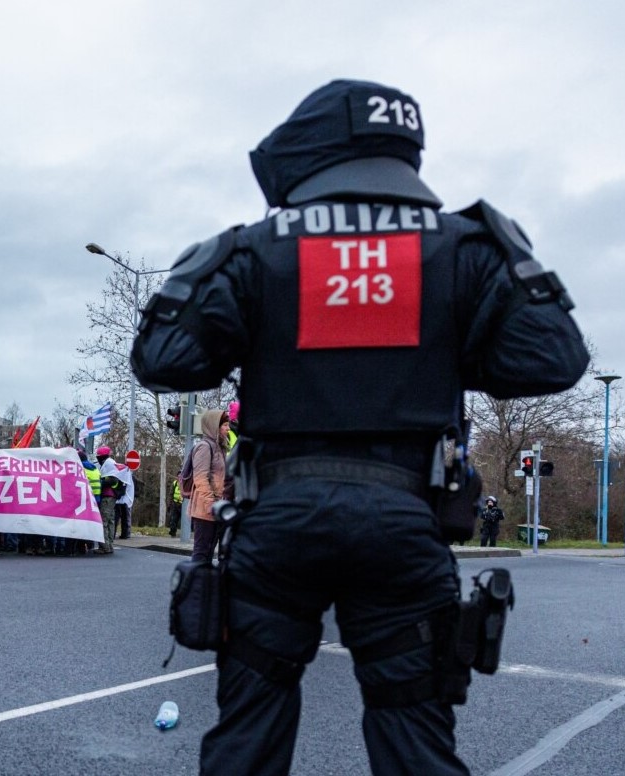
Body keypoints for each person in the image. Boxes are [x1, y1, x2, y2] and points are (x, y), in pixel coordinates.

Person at [131, 79, 589, 776]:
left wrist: (215, 279)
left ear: (307, 152)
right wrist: (452, 340)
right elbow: (555, 358)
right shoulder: (464, 247)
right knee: (416, 742)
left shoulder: (257, 250)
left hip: (279, 523)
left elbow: (162, 359)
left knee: (247, 740)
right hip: (405, 520)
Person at [182, 409, 228, 563]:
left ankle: (204, 584)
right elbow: (200, 478)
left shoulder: (220, 447)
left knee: (208, 554)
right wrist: (211, 504)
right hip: (205, 510)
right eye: (225, 425)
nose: (228, 429)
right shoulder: (204, 446)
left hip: (217, 509)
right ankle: (195, 584)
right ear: (214, 426)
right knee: (201, 554)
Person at [95, 446, 121, 554]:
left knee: (103, 521)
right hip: (112, 497)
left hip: (107, 496)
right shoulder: (111, 463)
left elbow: (111, 479)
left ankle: (104, 546)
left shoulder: (108, 464)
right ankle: (109, 545)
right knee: (110, 521)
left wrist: (100, 481)